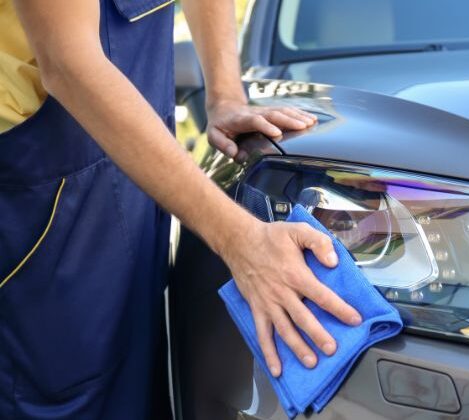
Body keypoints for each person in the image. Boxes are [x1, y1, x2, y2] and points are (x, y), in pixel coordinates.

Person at [0, 0, 361, 418]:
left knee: (134, 384)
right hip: (45, 197)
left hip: (138, 174)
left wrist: (225, 95)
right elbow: (68, 64)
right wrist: (240, 239)